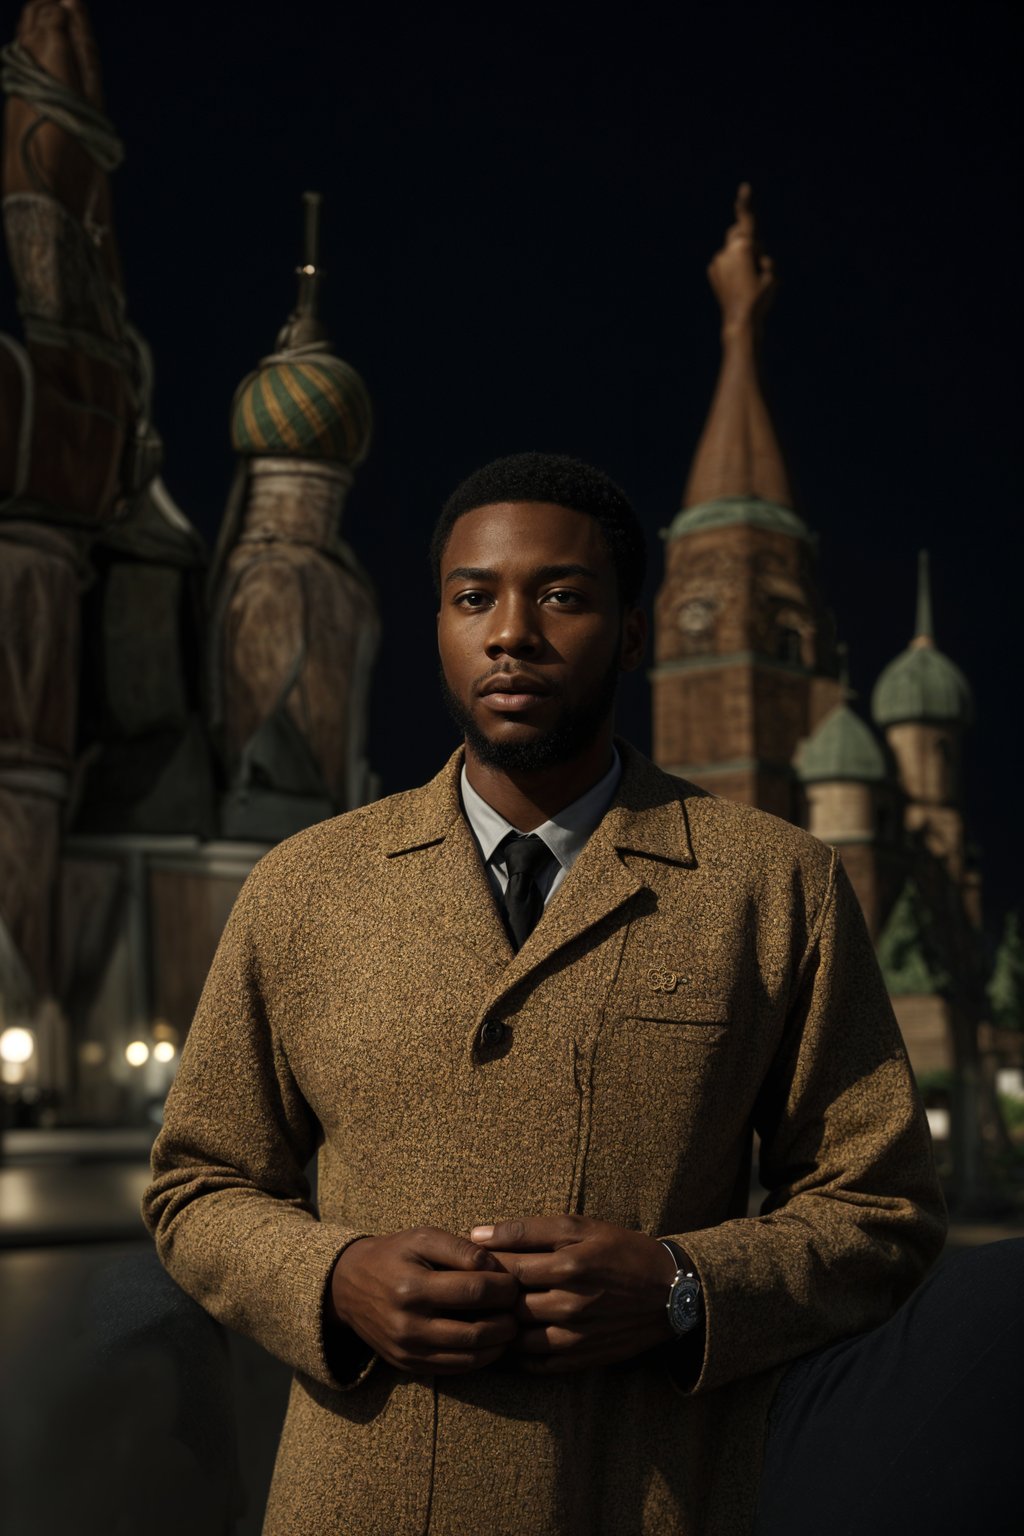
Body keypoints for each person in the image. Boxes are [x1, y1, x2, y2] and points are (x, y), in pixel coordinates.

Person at [144, 452, 1011, 1535]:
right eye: (474, 598)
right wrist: (333, 1278)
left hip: (656, 1494)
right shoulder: (304, 888)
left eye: (561, 595)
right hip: (359, 1501)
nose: (512, 630)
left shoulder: (775, 884)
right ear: (440, 628)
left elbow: (880, 1211)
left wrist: (682, 1288)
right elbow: (197, 1185)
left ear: (633, 633)